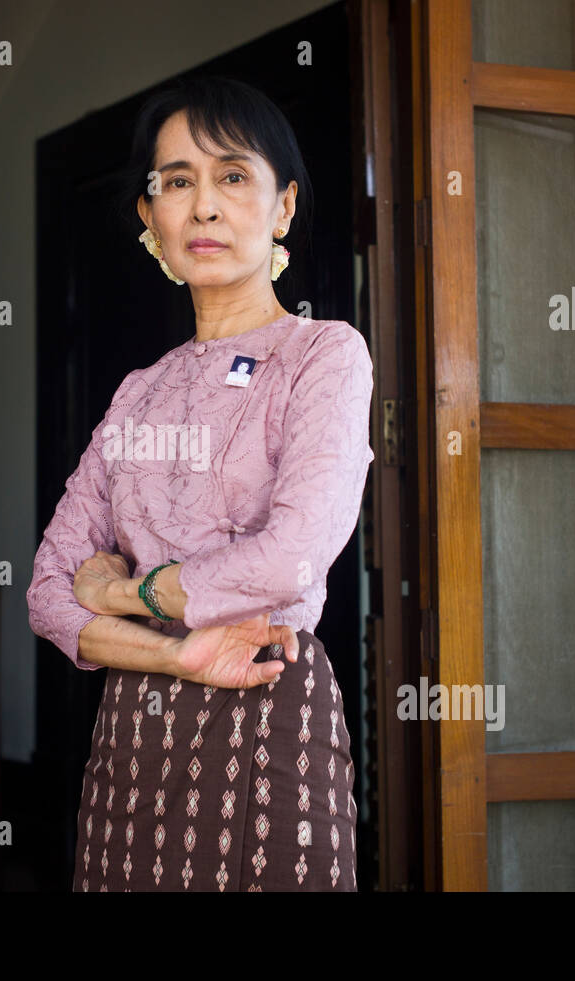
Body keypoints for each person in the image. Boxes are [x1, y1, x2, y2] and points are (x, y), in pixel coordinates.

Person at [26, 75, 374, 891]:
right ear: (150, 218)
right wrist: (177, 657)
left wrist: (123, 592)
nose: (204, 206)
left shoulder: (322, 355)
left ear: (282, 206)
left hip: (266, 710)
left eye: (232, 176)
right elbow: (47, 592)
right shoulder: (138, 391)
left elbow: (288, 561)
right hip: (134, 735)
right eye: (177, 182)